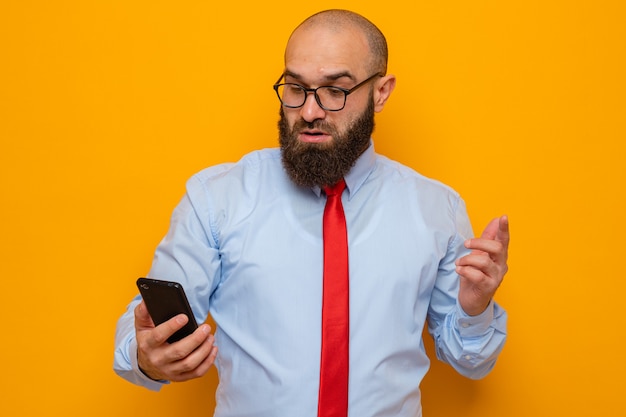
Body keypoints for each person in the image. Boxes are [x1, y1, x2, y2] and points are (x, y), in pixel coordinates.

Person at [114, 9, 509, 417]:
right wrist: (147, 356)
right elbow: (141, 328)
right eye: (295, 87)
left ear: (381, 92)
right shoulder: (218, 199)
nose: (309, 111)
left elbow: (471, 362)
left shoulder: (436, 209)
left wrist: (475, 310)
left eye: (335, 90)